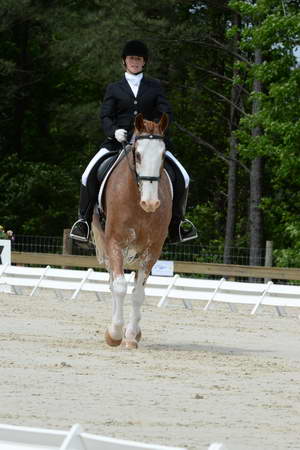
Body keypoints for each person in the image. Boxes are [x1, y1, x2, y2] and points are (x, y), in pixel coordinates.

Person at [70, 39, 197, 244]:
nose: (135, 62)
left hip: (151, 142)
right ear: (124, 61)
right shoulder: (114, 88)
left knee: (184, 176)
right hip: (118, 142)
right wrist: (114, 131)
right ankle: (83, 222)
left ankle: (177, 225)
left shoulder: (154, 86)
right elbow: (105, 115)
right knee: (87, 175)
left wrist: (155, 129)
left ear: (144, 62)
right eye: (131, 58)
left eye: (138, 59)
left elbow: (166, 111)